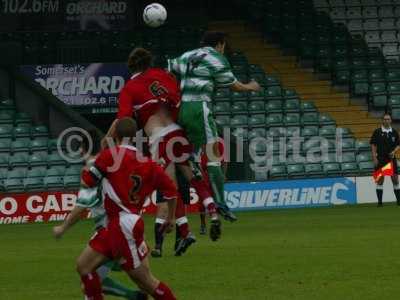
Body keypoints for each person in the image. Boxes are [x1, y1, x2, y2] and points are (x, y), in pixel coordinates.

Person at [112, 47, 222, 257]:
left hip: (159, 138)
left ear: (131, 67)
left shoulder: (129, 87)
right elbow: (178, 97)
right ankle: (212, 212)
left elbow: (124, 121)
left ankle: (184, 229)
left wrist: (111, 138)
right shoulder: (163, 74)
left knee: (168, 185)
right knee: (191, 175)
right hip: (178, 130)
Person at [77, 117, 177, 300]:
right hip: (119, 224)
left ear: (115, 134)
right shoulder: (147, 163)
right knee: (83, 265)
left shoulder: (109, 156)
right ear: (135, 136)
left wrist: (91, 163)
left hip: (122, 225)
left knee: (146, 282)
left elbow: (87, 181)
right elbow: (171, 190)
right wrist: (170, 217)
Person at [168, 31, 261, 222]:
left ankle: (195, 170)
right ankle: (220, 203)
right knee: (214, 156)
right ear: (220, 44)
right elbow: (235, 86)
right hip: (199, 108)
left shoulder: (187, 55)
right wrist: (251, 86)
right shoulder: (216, 58)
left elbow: (169, 69)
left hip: (181, 108)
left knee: (191, 153)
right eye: (224, 46)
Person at [52, 130, 146, 300]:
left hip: (111, 231)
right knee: (143, 280)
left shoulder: (92, 169)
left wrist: (63, 228)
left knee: (88, 277)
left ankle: (134, 296)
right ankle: (134, 296)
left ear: (81, 149)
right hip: (130, 224)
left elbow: (82, 206)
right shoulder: (110, 161)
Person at [370, 113, 400, 207]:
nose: (386, 120)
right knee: (380, 180)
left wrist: (394, 151)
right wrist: (374, 157)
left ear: (391, 120)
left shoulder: (394, 132)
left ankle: (398, 202)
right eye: (385, 119)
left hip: (391, 159)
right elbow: (373, 145)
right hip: (380, 159)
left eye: (388, 119)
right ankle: (380, 203)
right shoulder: (377, 132)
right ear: (382, 120)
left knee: (395, 179)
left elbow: (398, 144)